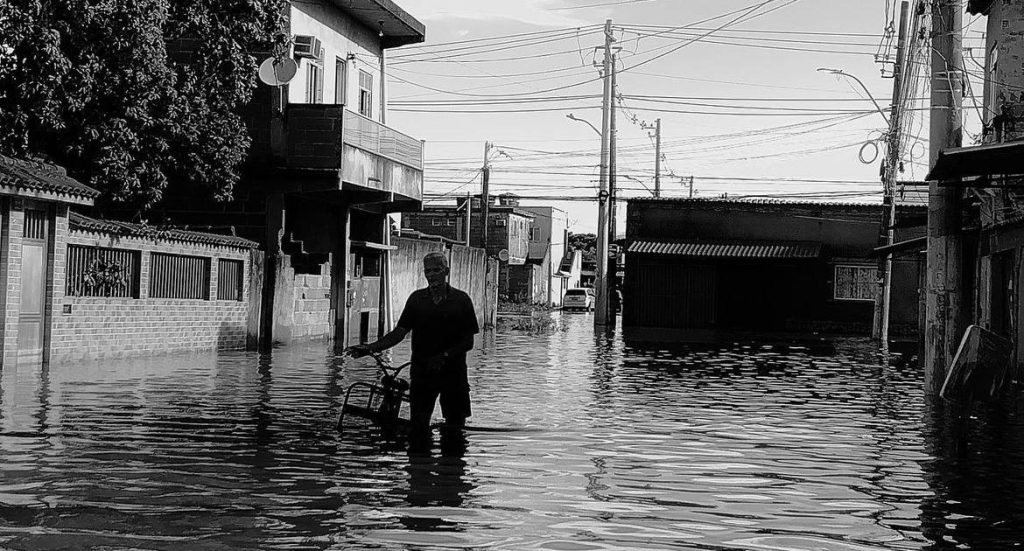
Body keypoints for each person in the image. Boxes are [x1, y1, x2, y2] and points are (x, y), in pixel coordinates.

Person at [349, 252, 480, 441]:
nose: (432, 275)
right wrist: (370, 348)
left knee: (455, 432)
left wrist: (444, 356)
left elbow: (468, 341)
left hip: (454, 375)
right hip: (422, 372)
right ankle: (420, 466)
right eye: (428, 271)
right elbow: (399, 333)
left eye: (437, 270)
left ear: (447, 272)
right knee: (418, 428)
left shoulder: (461, 300)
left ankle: (451, 467)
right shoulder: (417, 300)